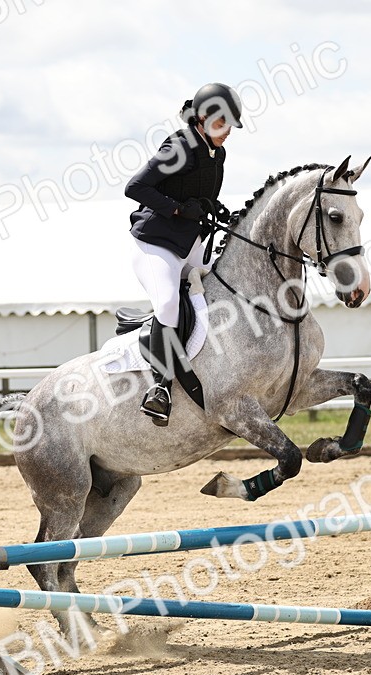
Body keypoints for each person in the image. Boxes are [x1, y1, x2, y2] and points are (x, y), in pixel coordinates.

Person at [124, 82, 243, 425]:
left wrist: (215, 209)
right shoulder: (180, 144)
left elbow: (197, 192)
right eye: (222, 125)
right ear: (203, 118)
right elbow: (135, 187)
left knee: (219, 291)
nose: (226, 134)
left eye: (230, 127)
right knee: (168, 304)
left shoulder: (215, 153)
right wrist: (176, 210)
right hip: (156, 244)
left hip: (189, 244)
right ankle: (160, 388)